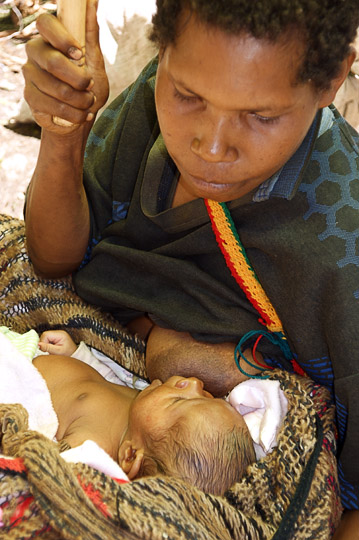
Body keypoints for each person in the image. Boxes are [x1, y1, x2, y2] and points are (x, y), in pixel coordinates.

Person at [21, 0, 359, 526]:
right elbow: (52, 260)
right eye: (186, 96)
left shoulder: (343, 248)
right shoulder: (153, 100)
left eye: (261, 116)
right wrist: (64, 131)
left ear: (331, 81)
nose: (211, 145)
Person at [7, 327, 254, 496]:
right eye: (207, 395)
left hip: (13, 374)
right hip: (30, 348)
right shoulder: (143, 402)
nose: (194, 384)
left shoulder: (93, 448)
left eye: (178, 401)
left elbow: (47, 469)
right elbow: (108, 380)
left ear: (130, 455)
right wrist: (75, 355)